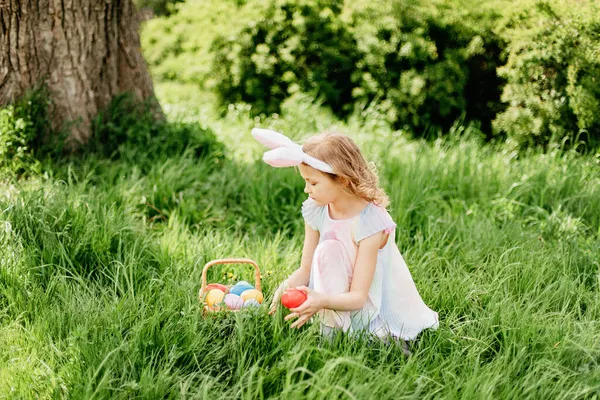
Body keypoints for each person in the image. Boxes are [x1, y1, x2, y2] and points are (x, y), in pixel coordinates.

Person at [252, 128, 439, 342]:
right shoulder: (317, 209)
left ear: (341, 179)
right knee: (327, 248)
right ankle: (332, 329)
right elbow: (306, 268)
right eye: (306, 181)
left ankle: (354, 331)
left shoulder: (370, 221)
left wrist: (321, 301)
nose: (306, 190)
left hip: (366, 302)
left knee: (376, 336)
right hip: (331, 292)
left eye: (313, 183)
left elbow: (359, 297)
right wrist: (283, 290)